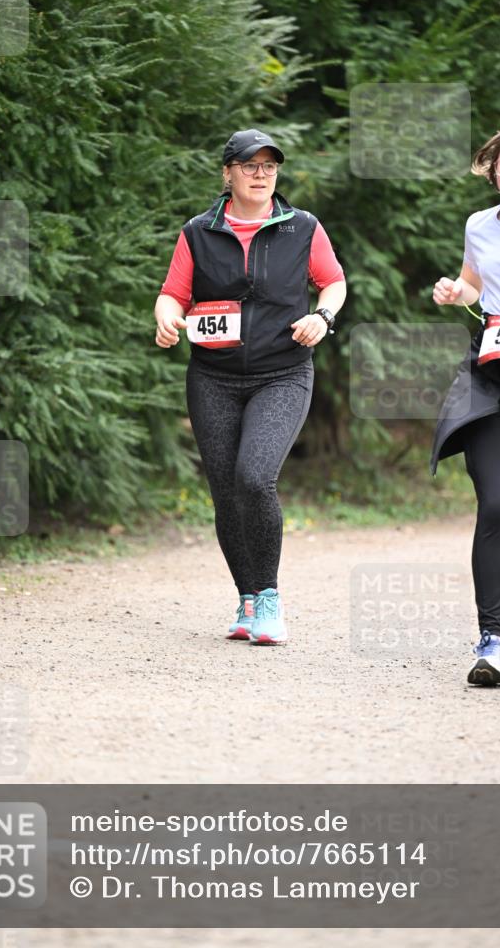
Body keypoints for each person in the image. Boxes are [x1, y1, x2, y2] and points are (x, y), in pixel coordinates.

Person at [154, 129, 346, 644]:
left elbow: (333, 280)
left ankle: (268, 599)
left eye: (269, 166)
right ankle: (245, 597)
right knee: (225, 493)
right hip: (213, 378)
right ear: (228, 173)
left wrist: (323, 317)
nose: (260, 175)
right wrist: (166, 318)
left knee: (255, 477)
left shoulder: (301, 226)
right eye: (249, 165)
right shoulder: (199, 231)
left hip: (283, 372)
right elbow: (173, 293)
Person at [431, 123, 500, 685]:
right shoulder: (480, 224)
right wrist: (456, 290)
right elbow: (475, 282)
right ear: (493, 169)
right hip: (494, 370)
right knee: (495, 506)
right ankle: (491, 642)